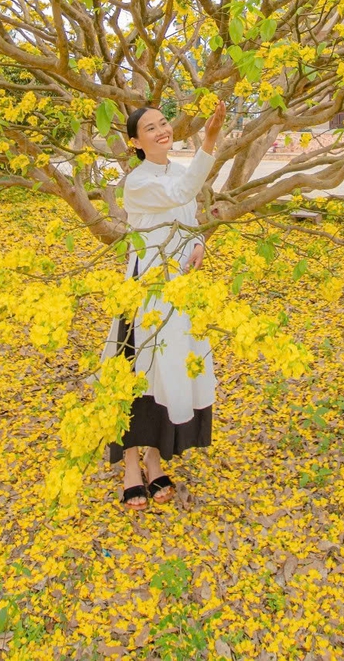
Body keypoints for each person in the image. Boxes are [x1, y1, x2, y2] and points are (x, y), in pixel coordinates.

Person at [106, 99, 227, 511]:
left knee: (169, 368)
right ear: (134, 142)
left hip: (178, 287)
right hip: (147, 286)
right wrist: (209, 141)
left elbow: (188, 213)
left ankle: (155, 461)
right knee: (137, 372)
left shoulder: (176, 170)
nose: (161, 131)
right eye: (151, 128)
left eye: (164, 124)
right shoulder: (137, 181)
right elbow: (180, 192)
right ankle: (130, 469)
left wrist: (198, 243)